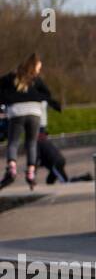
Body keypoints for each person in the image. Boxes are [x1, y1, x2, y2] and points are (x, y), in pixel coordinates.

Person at [0, 54, 62, 190]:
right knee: (31, 143)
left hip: (16, 112)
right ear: (33, 67)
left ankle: (11, 168)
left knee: (13, 142)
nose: (39, 71)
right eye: (39, 68)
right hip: (34, 112)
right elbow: (47, 93)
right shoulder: (36, 80)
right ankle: (31, 173)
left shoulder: (11, 77)